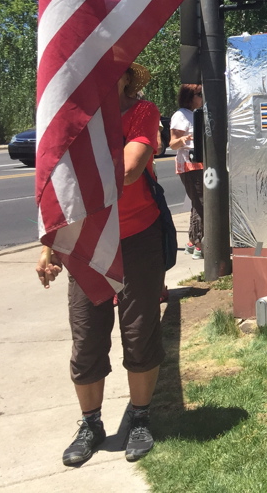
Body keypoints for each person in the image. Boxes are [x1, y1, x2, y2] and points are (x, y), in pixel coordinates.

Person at [36, 63, 166, 466]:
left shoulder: (143, 112)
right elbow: (55, 183)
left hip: (137, 238)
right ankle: (91, 424)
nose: (104, 85)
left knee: (139, 330)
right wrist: (50, 247)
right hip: (87, 243)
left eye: (112, 75)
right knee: (87, 336)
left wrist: (81, 161)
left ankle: (140, 418)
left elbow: (128, 171)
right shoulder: (72, 122)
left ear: (127, 79)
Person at [169, 84, 204, 259]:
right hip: (189, 164)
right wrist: (184, 139)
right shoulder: (180, 115)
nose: (202, 97)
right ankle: (199, 244)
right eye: (199, 94)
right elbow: (172, 143)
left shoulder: (196, 114)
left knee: (199, 202)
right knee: (201, 203)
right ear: (190, 96)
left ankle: (193, 241)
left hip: (200, 163)